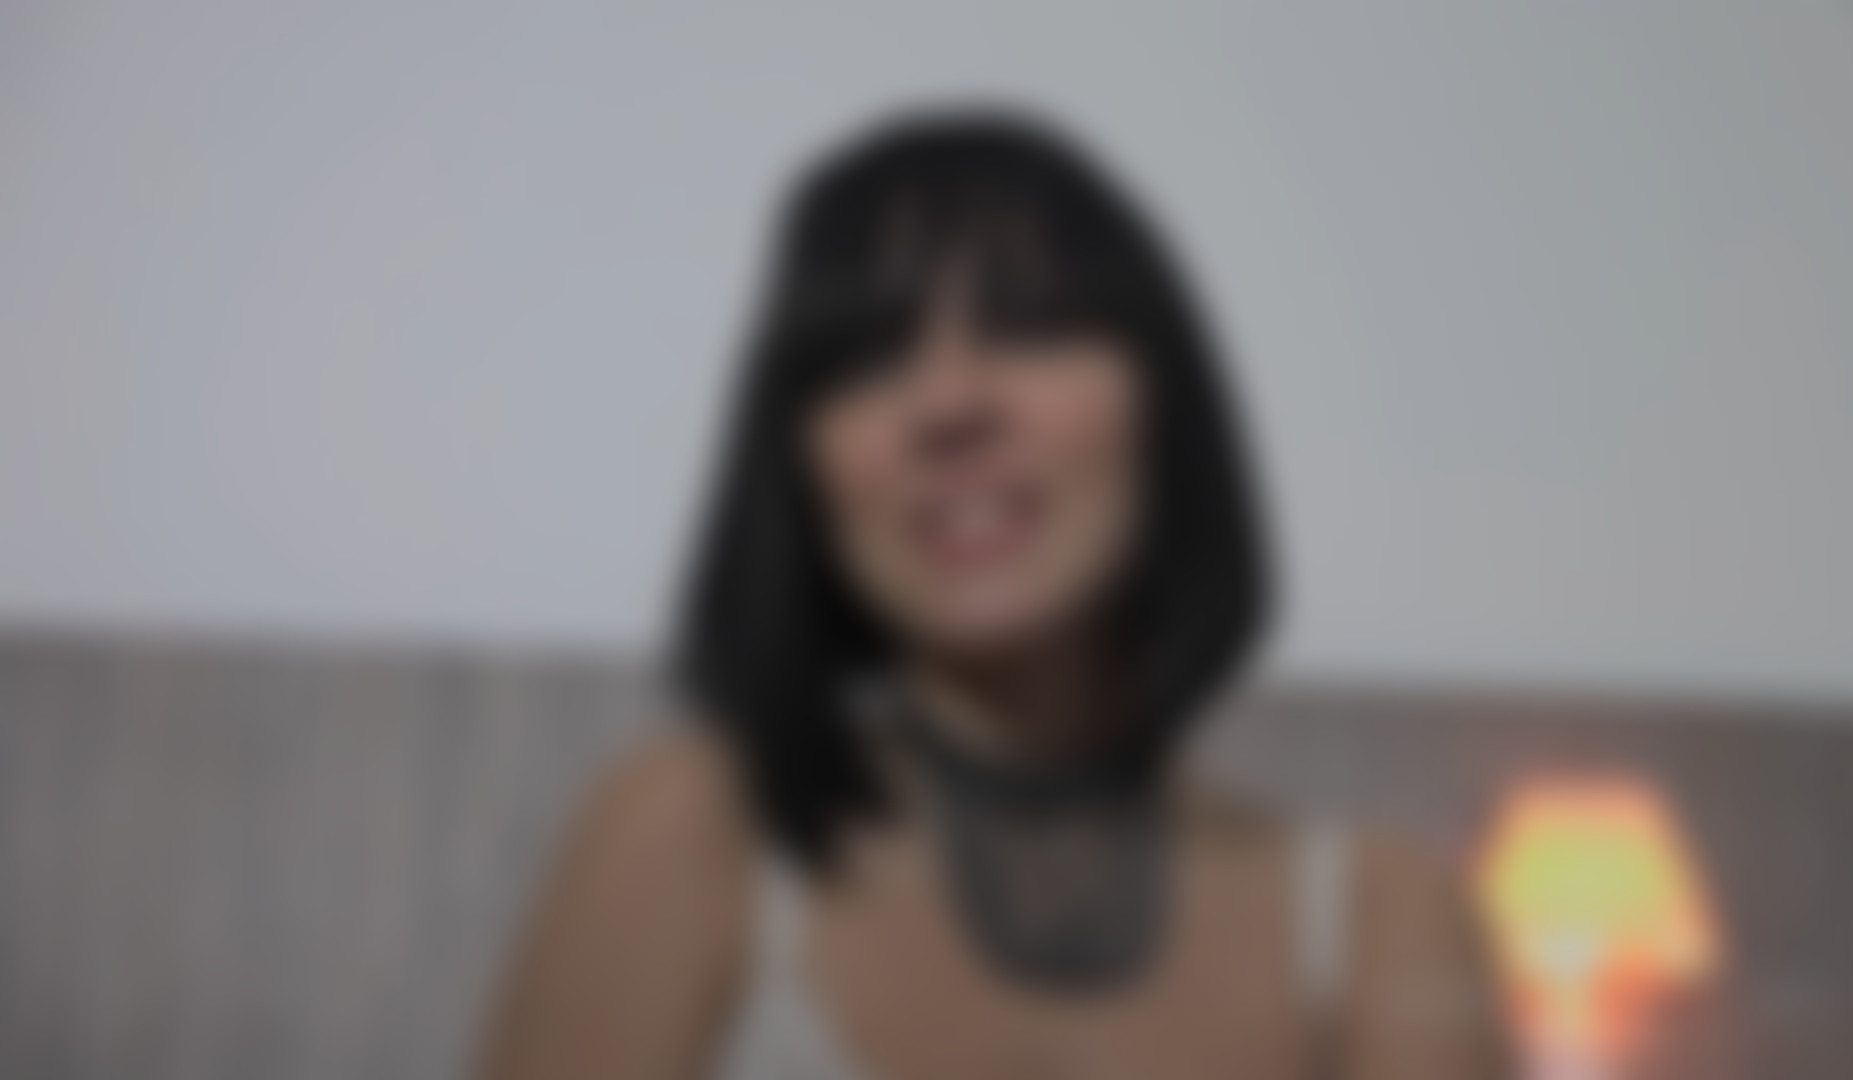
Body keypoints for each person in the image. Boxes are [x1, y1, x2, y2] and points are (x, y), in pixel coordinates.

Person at [478, 107, 1515, 1080]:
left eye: (1027, 325)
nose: (947, 402)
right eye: (866, 357)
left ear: (1160, 397)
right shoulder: (693, 836)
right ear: (802, 462)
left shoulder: (1375, 913)